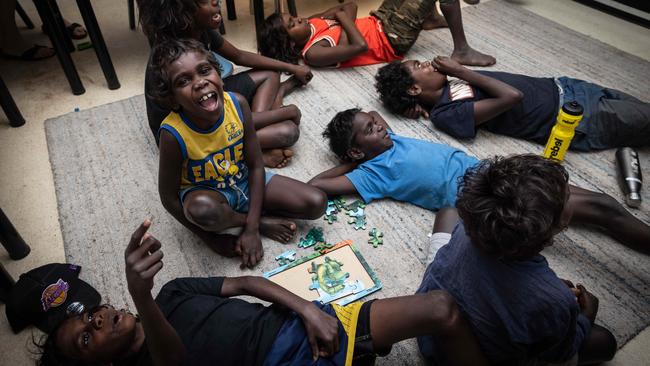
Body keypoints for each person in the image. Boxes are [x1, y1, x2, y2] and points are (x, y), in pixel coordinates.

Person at [27, 219, 490, 366]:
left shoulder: (172, 293)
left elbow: (247, 282)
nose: (97, 320)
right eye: (86, 338)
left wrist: (307, 308)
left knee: (442, 308)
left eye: (89, 315)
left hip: (298, 327)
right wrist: (140, 298)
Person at [309, 108, 650, 254]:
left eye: (374, 122)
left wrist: (364, 133)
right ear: (355, 152)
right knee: (599, 209)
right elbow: (317, 183)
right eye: (369, 129)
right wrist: (349, 163)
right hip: (486, 194)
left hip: (495, 169)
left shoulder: (391, 138)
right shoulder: (371, 174)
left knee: (600, 205)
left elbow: (374, 114)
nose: (378, 125)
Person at [417, 155, 619, 365]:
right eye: (567, 198)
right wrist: (585, 317)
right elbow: (559, 353)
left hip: (427, 329)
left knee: (449, 214)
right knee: (604, 342)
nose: (572, 198)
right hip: (465, 357)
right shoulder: (556, 301)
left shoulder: (469, 226)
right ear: (549, 237)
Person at [149, 39, 327, 268]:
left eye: (205, 71)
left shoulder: (238, 104)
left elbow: (255, 165)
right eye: (183, 81)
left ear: (218, 74)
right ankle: (257, 218)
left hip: (242, 179)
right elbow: (169, 198)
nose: (200, 83)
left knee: (316, 202)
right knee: (202, 210)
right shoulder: (173, 134)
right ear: (172, 98)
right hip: (210, 193)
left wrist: (250, 228)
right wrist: (212, 238)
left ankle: (247, 215)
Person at [138, 0, 314, 168]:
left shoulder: (199, 29)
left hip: (203, 103)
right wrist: (287, 112)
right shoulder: (172, 55)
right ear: (184, 15)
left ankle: (251, 132)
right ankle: (249, 150)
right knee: (287, 131)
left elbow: (239, 56)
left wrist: (292, 67)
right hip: (188, 131)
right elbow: (196, 116)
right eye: (205, 1)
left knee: (271, 74)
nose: (216, 2)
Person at [375, 56, 650, 150]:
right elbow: (511, 97)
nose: (427, 63)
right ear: (414, 88)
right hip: (577, 117)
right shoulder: (446, 113)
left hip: (567, 86)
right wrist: (460, 71)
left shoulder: (445, 86)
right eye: (419, 66)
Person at [258, 0, 495, 69]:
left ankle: (429, 18)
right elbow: (360, 46)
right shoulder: (314, 52)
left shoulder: (311, 23)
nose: (300, 18)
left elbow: (349, 5)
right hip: (391, 39)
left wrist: (344, 20)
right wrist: (340, 19)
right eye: (292, 24)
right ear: (289, 43)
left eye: (293, 17)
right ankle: (462, 50)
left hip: (379, 18)